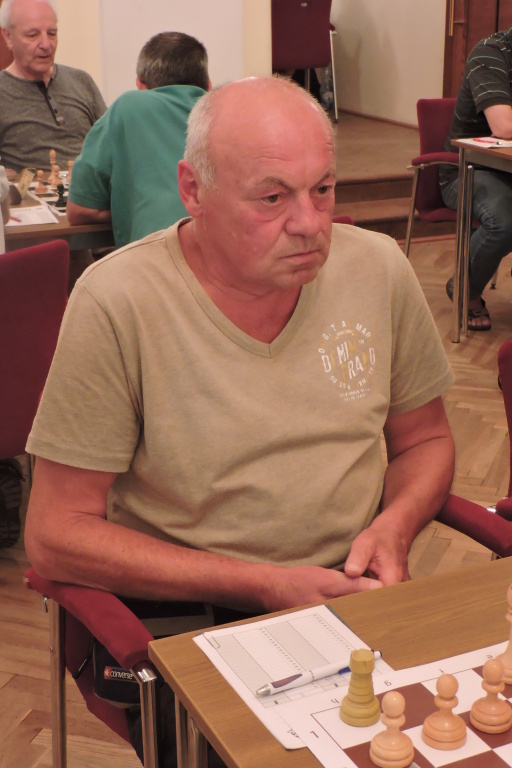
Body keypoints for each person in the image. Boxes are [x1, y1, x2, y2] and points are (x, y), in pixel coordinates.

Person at [24, 76, 455, 766]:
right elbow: (54, 535)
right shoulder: (119, 301)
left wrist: (395, 525)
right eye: (273, 198)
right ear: (192, 190)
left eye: (323, 189)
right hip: (186, 607)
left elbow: (425, 440)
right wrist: (264, 582)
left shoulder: (377, 268)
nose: (310, 223)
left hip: (352, 592)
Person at [66, 31, 210, 248]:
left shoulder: (127, 107)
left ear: (140, 85)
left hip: (155, 255)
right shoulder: (223, 111)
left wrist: (129, 209)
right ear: (208, 86)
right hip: (227, 255)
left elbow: (78, 211)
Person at [439, 27, 512, 332]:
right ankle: (466, 288)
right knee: (504, 221)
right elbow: (504, 126)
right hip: (468, 169)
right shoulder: (490, 53)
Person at [0, 0, 106, 173]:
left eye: (52, 33)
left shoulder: (81, 81)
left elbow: (112, 145)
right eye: (33, 35)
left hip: (88, 187)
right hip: (36, 189)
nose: (46, 44)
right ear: (8, 37)